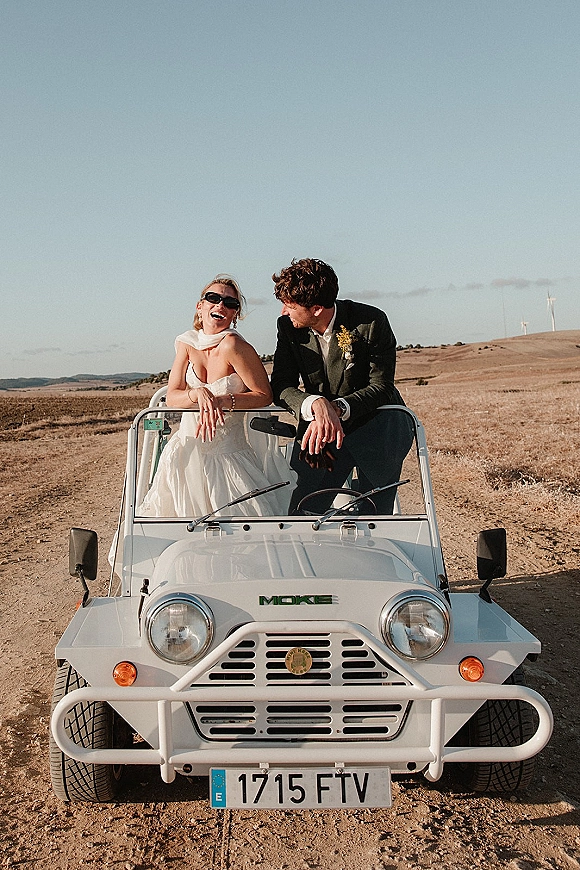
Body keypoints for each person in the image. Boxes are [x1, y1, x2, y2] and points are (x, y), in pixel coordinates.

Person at [139, 275, 294, 518]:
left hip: (228, 455)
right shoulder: (186, 343)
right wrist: (197, 392)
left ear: (235, 315)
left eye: (230, 303)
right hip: (186, 453)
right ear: (200, 306)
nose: (221, 305)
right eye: (213, 298)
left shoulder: (234, 345)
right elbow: (172, 397)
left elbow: (264, 395)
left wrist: (223, 401)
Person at [270, 258, 413, 514]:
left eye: (289, 306)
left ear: (315, 308)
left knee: (374, 520)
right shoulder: (288, 328)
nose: (284, 312)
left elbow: (381, 385)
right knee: (303, 512)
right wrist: (313, 404)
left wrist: (336, 408)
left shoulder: (371, 321)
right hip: (319, 436)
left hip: (377, 432)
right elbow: (281, 385)